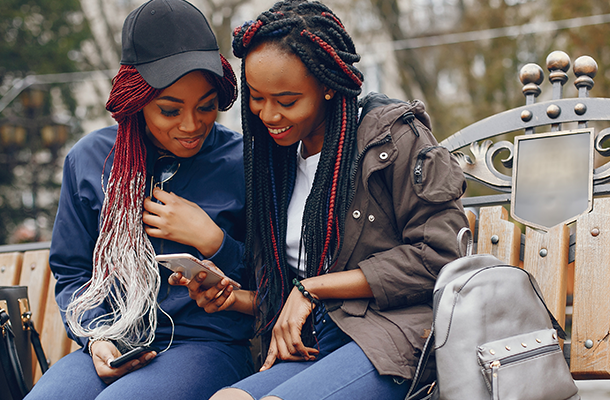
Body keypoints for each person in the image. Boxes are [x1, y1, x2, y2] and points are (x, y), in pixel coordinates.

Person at [171, 1, 469, 399]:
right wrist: (234, 299)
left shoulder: (392, 140)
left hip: (394, 339)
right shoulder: (274, 161)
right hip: (317, 343)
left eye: (287, 101)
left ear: (328, 85)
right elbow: (287, 289)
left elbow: (441, 256)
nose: (268, 115)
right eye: (257, 98)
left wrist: (313, 288)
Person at [25, 1, 254, 399]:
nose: (191, 125)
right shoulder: (90, 159)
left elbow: (274, 278)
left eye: (207, 107)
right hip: (114, 339)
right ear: (136, 103)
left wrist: (215, 241)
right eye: (170, 110)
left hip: (206, 345)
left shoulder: (242, 162)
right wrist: (96, 338)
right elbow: (73, 271)